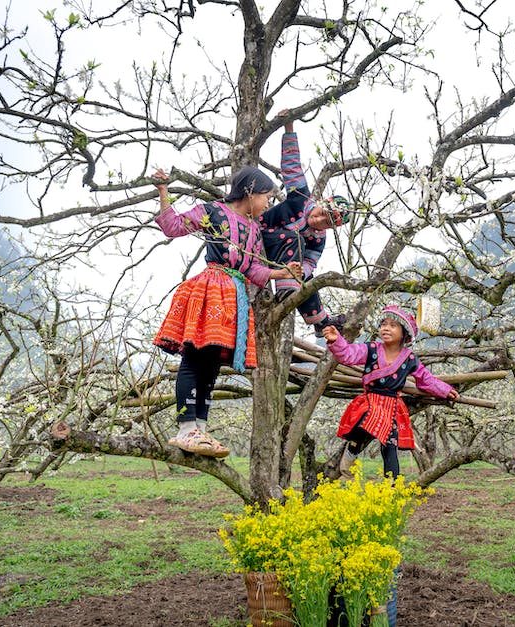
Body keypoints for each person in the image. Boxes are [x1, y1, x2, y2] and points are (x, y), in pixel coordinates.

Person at [152, 166, 302, 458]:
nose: (268, 204)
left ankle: (200, 428)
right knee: (195, 356)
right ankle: (185, 427)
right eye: (267, 197)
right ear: (251, 192)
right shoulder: (213, 212)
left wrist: (280, 271)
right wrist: (163, 192)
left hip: (233, 296)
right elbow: (174, 227)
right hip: (210, 288)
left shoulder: (254, 229)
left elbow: (252, 268)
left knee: (210, 364)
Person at [322, 305, 459, 478]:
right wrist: (337, 340)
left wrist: (446, 390)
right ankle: (351, 451)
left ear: (404, 333)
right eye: (383, 324)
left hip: (392, 406)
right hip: (370, 401)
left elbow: (426, 380)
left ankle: (392, 486)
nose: (386, 328)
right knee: (365, 421)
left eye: (393, 325)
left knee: (390, 444)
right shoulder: (371, 349)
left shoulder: (410, 359)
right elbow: (349, 354)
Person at [259, 111, 349, 338]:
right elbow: (291, 167)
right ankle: (286, 289)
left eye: (326, 223)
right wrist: (289, 128)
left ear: (331, 228)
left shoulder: (319, 239)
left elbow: (310, 261)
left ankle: (321, 322)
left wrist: (301, 273)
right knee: (295, 238)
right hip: (260, 236)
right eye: (321, 213)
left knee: (309, 278)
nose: (318, 220)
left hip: (284, 265)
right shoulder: (301, 197)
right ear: (320, 203)